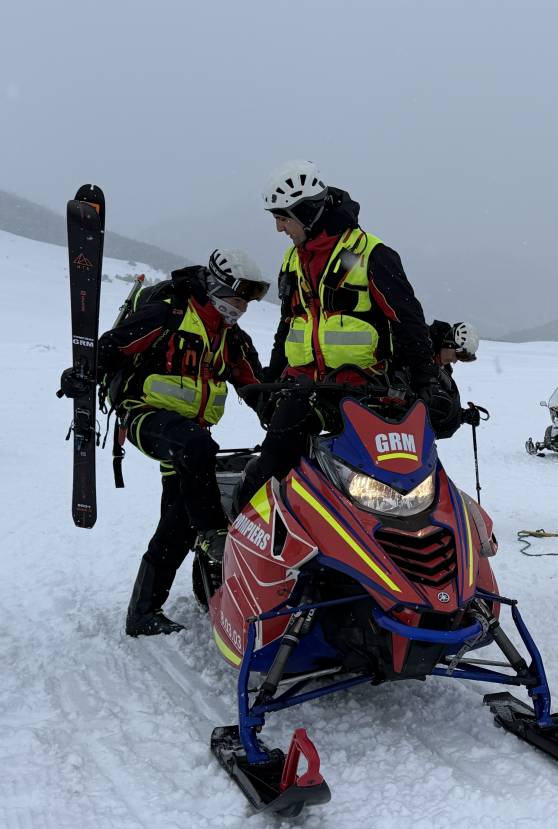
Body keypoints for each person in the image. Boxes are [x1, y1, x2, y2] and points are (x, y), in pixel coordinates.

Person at [59, 250, 267, 636]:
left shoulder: (232, 340)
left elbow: (257, 386)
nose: (243, 309)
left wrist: (289, 417)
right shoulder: (169, 314)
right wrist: (80, 375)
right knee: (199, 451)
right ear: (220, 286)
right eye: (239, 299)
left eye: (248, 302)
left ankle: (143, 614)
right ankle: (213, 535)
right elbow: (113, 346)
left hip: (188, 434)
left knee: (178, 522)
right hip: (144, 415)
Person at [239, 160, 442, 505]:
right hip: (304, 389)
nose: (278, 228)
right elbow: (287, 327)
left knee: (398, 478)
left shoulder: (371, 254)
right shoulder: (292, 261)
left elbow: (408, 323)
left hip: (365, 391)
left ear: (306, 213)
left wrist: (426, 385)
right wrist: (271, 386)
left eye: (282, 217)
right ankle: (240, 536)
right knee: (271, 468)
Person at [427, 320, 483, 435]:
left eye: (462, 357)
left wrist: (462, 415)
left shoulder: (443, 371)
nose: (455, 361)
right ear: (450, 343)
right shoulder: (419, 348)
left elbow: (437, 406)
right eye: (458, 355)